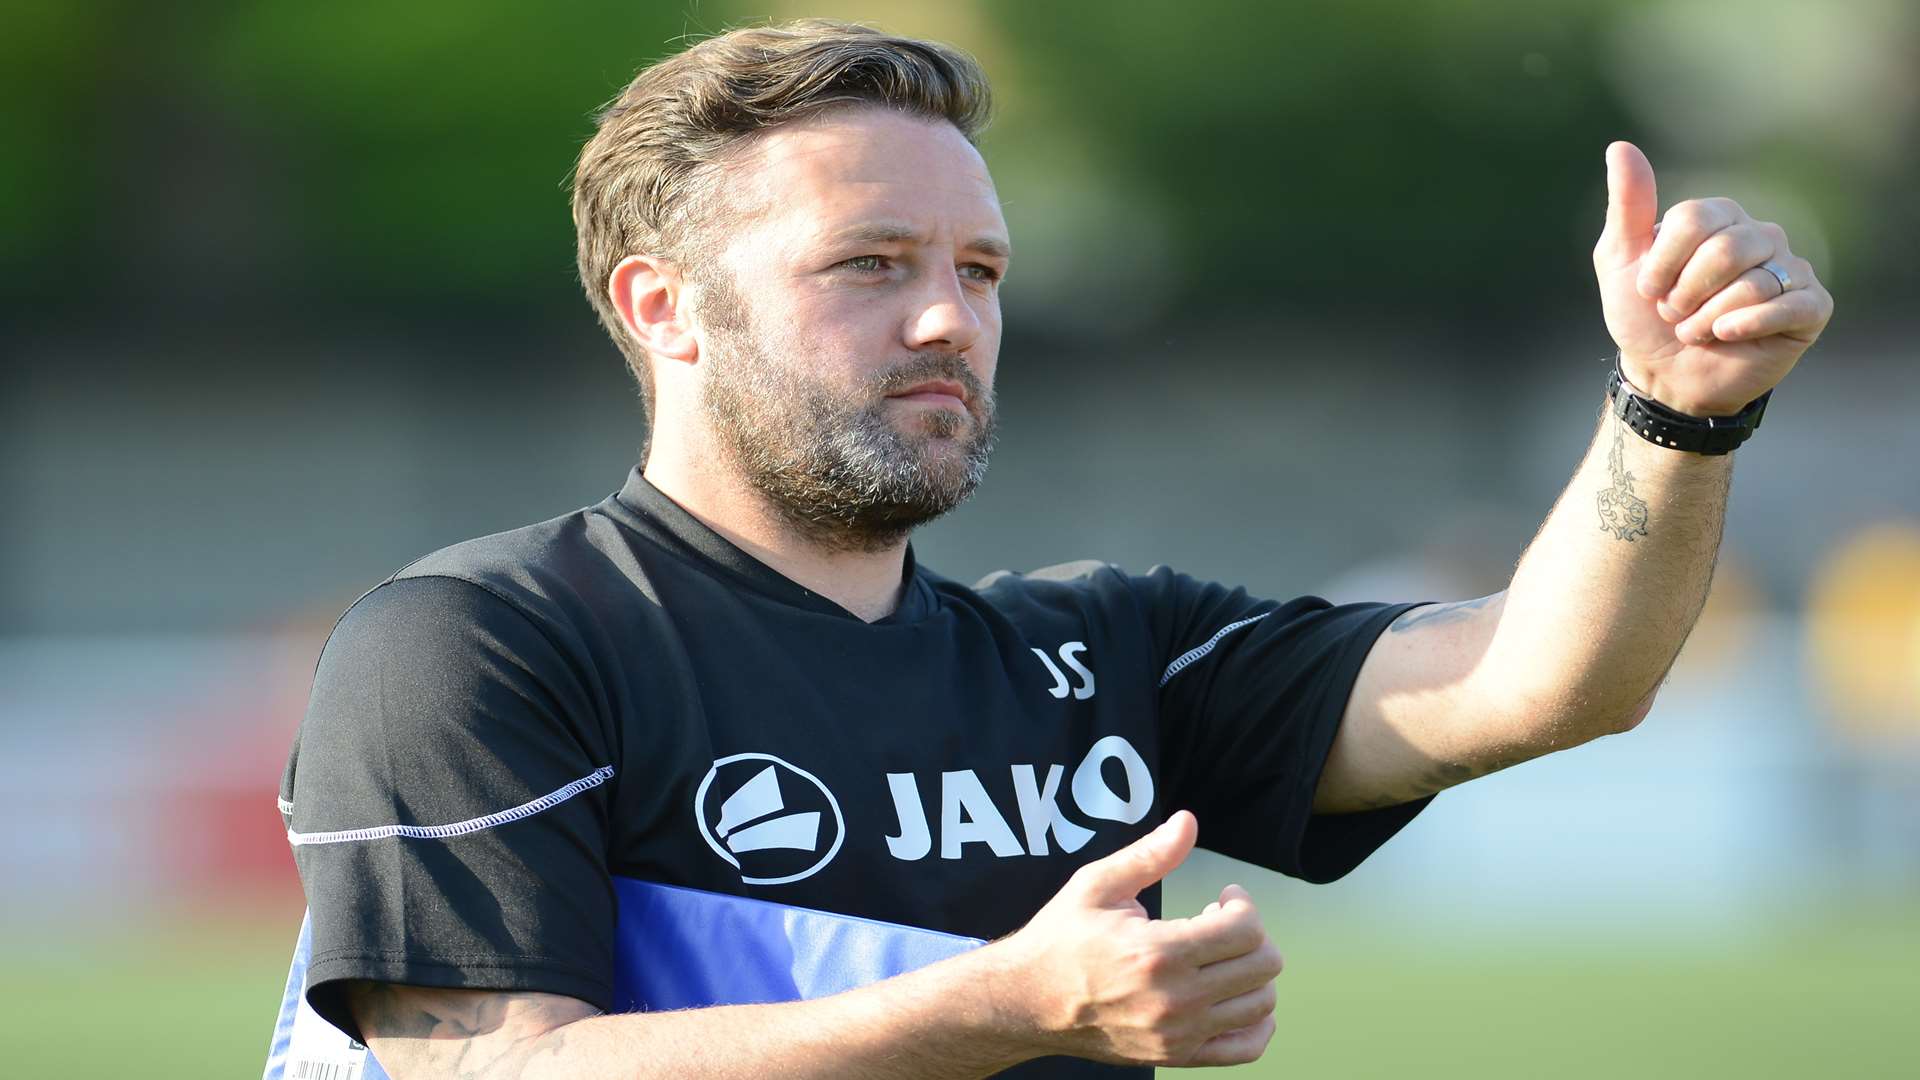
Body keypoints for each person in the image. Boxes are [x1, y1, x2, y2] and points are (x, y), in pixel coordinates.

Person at [273, 18, 1832, 1080]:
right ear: (664, 310)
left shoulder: (1103, 651)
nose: (951, 316)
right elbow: (490, 1067)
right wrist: (1003, 1003)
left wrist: (1674, 413)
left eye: (981, 266)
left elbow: (1547, 681)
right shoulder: (478, 644)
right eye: (868, 265)